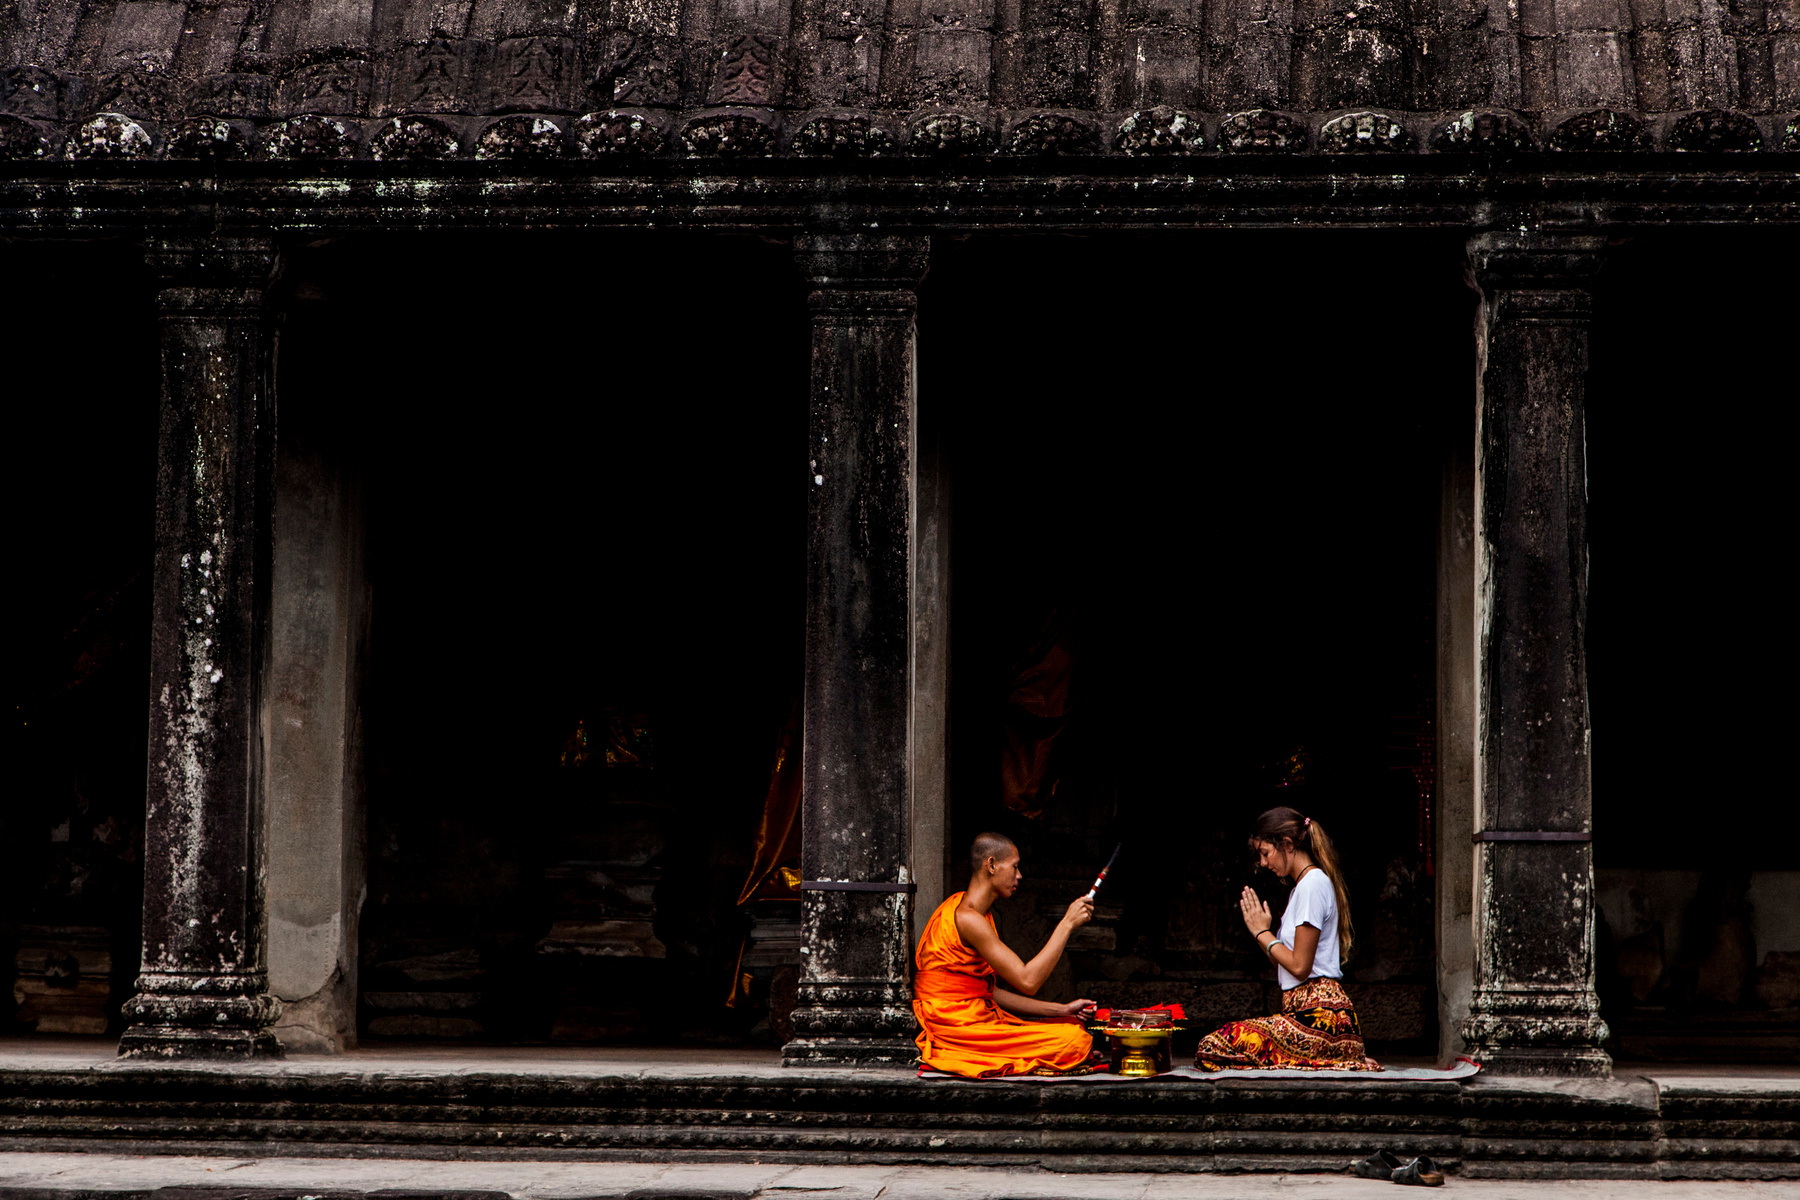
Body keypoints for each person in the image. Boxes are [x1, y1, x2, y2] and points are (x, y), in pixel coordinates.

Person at [1194, 806, 1380, 1071]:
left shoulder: (1312, 885)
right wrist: (1261, 934)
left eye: (1265, 853)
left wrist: (1263, 933)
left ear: (1287, 844)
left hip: (1318, 1018)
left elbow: (1300, 967)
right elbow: (1288, 967)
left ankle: (1331, 1056)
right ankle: (1337, 1055)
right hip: (1311, 1016)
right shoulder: (1303, 888)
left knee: (1213, 1047)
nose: (1263, 863)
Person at [912, 832, 1102, 1077]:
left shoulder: (976, 915)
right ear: (991, 865)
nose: (1019, 876)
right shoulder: (968, 918)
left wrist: (1062, 1009)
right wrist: (1066, 924)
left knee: (1071, 1029)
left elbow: (986, 991)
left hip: (973, 1015)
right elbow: (1028, 981)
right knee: (1074, 1040)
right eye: (1014, 867)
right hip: (954, 1025)